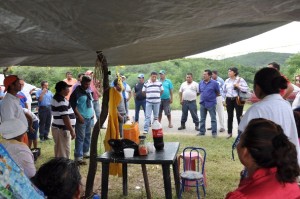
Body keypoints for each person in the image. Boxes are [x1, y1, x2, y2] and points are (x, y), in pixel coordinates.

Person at [238, 67, 300, 164]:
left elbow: (242, 141)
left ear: (257, 87)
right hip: (287, 164)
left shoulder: (256, 109)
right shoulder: (286, 105)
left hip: (264, 166)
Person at [226, 118, 300, 199]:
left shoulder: (243, 196)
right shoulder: (289, 181)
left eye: (240, 140)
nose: (237, 145)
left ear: (245, 152)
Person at [70, 75, 94, 165]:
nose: (87, 85)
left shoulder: (88, 90)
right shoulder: (76, 92)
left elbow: (90, 102)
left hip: (89, 117)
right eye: (85, 84)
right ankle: (78, 157)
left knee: (88, 136)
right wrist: (79, 116)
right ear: (81, 82)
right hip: (81, 118)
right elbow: (73, 106)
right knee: (80, 138)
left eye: (88, 84)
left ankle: (85, 152)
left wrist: (92, 114)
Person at [51, 81, 76, 158]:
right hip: (61, 130)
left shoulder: (59, 98)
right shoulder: (60, 101)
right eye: (67, 88)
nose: (69, 90)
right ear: (62, 89)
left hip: (62, 129)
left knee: (63, 150)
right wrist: (72, 130)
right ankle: (63, 168)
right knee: (63, 152)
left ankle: (64, 167)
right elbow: (65, 117)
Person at [223, 67, 249, 138]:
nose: (229, 73)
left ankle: (240, 133)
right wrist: (223, 99)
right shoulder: (227, 80)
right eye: (228, 71)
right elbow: (224, 91)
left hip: (237, 99)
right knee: (230, 116)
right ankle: (229, 133)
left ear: (234, 72)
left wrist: (238, 86)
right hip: (229, 99)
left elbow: (246, 89)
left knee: (239, 116)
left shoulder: (240, 80)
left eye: (230, 71)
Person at [198, 70, 220, 137]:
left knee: (213, 119)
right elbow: (200, 92)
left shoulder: (215, 83)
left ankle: (214, 133)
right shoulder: (201, 83)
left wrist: (211, 97)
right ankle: (202, 132)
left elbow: (218, 93)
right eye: (203, 74)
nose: (203, 76)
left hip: (211, 103)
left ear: (209, 75)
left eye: (205, 74)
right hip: (203, 103)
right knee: (202, 119)